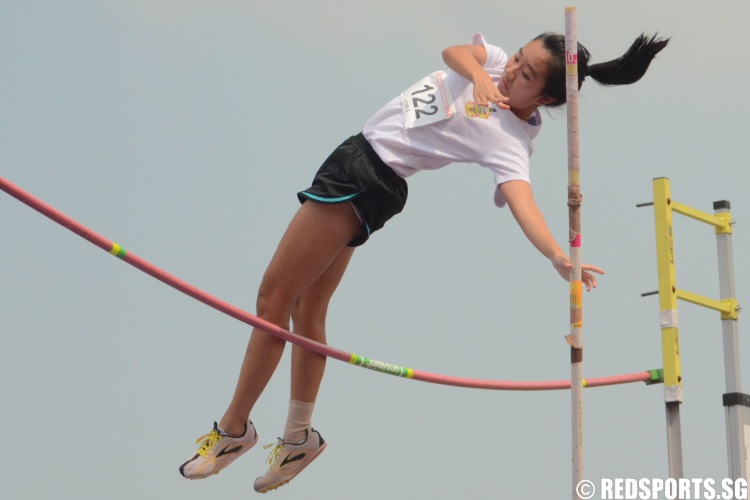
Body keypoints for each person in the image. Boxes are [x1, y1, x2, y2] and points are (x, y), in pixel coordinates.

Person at [179, 30, 669, 492]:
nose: (510, 68)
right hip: (360, 163)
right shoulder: (494, 63)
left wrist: (559, 257)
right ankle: (298, 439)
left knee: (273, 299)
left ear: (541, 99)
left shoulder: (510, 142)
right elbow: (455, 52)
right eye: (518, 56)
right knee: (307, 311)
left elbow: (525, 203)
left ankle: (233, 428)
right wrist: (482, 74)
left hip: (367, 174)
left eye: (524, 74)